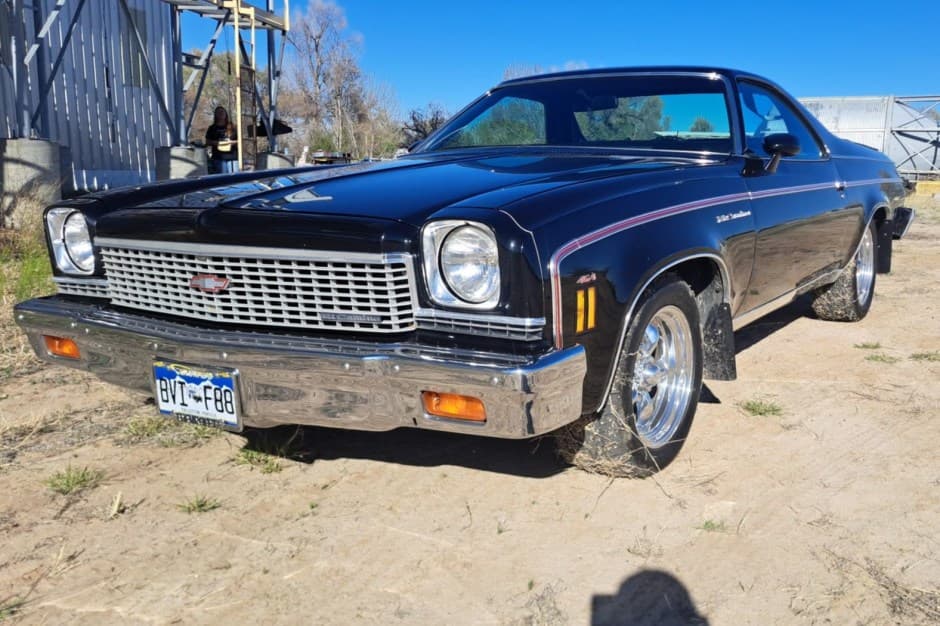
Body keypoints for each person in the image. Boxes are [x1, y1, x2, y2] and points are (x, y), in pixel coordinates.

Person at [205, 106, 239, 174]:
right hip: (219, 158)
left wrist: (231, 142)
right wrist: (218, 143)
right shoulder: (212, 128)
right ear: (215, 115)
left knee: (235, 177)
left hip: (233, 157)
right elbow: (207, 141)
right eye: (218, 112)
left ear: (226, 114)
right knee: (222, 177)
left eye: (222, 112)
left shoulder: (233, 126)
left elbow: (240, 140)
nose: (221, 113)